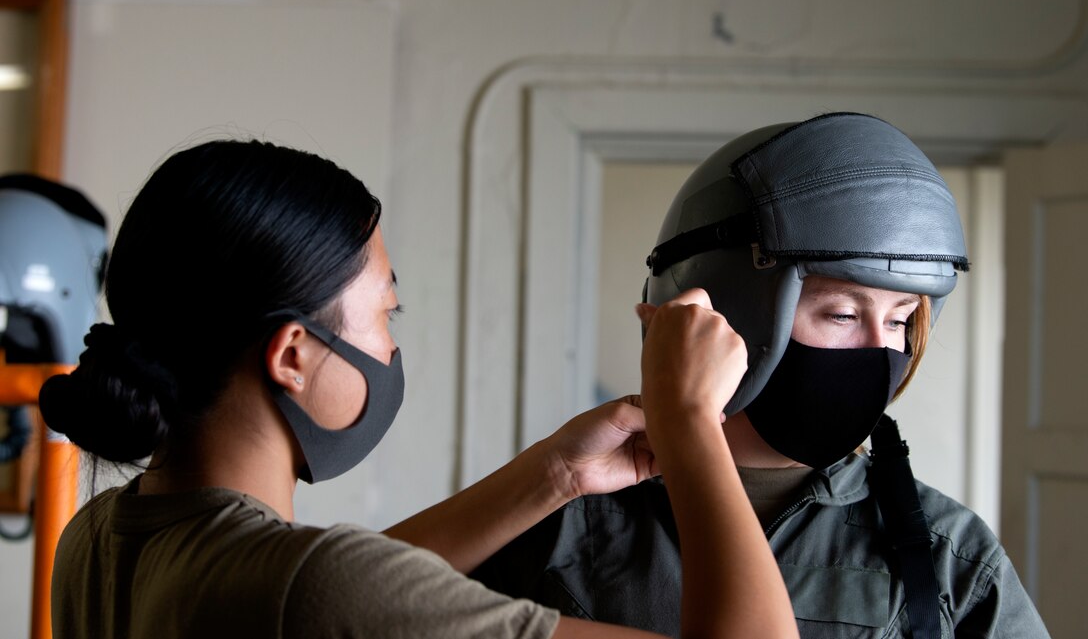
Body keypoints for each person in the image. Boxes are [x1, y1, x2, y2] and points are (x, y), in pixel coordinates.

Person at [37, 138, 799, 639]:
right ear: (293, 355)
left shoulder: (102, 537)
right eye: (383, 314)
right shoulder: (306, 586)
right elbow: (328, 593)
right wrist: (693, 421)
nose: (392, 346)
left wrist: (556, 474)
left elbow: (324, 596)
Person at [472, 113, 1051, 638]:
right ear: (724, 310)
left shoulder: (951, 556)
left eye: (900, 320)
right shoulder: (562, 525)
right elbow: (388, 601)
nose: (880, 351)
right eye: (842, 314)